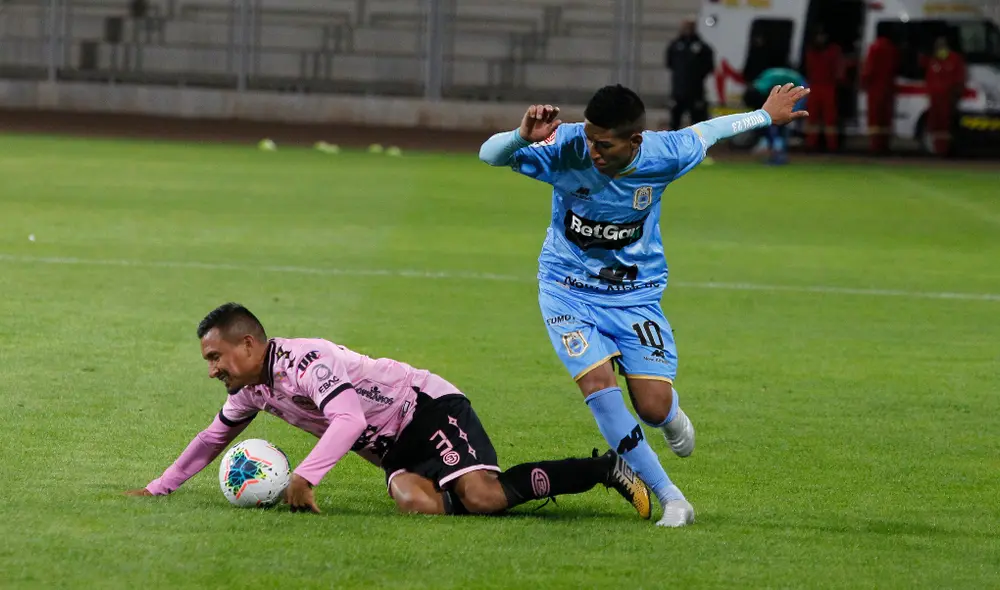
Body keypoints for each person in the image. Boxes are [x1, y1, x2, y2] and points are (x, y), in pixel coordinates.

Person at [478, 83, 808, 526]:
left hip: (635, 294)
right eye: (590, 138)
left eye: (604, 143)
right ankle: (673, 498)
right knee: (599, 388)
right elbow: (489, 154)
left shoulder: (665, 154)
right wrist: (521, 136)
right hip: (566, 288)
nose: (592, 150)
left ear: (634, 140)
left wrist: (765, 115)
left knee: (652, 407)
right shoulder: (566, 146)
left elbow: (710, 130)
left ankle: (670, 416)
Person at [125, 303, 652, 520]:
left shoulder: (308, 360)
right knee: (417, 504)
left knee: (485, 498)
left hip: (425, 408)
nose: (213, 369)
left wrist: (305, 478)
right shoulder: (253, 389)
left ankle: (605, 468)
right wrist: (158, 488)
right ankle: (466, 481)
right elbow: (211, 438)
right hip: (393, 448)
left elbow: (349, 420)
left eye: (216, 357)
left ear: (247, 344)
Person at [746, 67, 808, 164]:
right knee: (775, 124)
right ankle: (777, 153)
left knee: (785, 122)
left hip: (801, 87)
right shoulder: (762, 82)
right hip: (796, 86)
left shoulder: (761, 87)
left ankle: (780, 154)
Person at [665, 19, 715, 131]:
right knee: (674, 122)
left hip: (696, 91)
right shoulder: (675, 46)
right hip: (678, 91)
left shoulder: (702, 47)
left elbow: (709, 67)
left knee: (698, 122)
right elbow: (669, 64)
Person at [922, 36, 966, 156]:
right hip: (935, 100)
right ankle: (938, 150)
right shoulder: (934, 62)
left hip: (948, 100)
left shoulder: (954, 60)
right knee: (935, 126)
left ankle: (945, 151)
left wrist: (956, 96)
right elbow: (929, 79)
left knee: (946, 126)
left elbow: (959, 79)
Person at [861, 27, 900, 154]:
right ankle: (885, 144)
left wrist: (863, 83)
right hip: (889, 87)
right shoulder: (892, 49)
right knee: (886, 118)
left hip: (875, 88)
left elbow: (869, 68)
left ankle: (875, 145)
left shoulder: (875, 48)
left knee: (875, 118)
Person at [804, 30, 843, 151]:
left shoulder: (832, 52)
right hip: (816, 86)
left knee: (829, 118)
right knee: (812, 117)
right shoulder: (812, 52)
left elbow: (838, 70)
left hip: (828, 86)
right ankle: (811, 143)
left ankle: (832, 145)